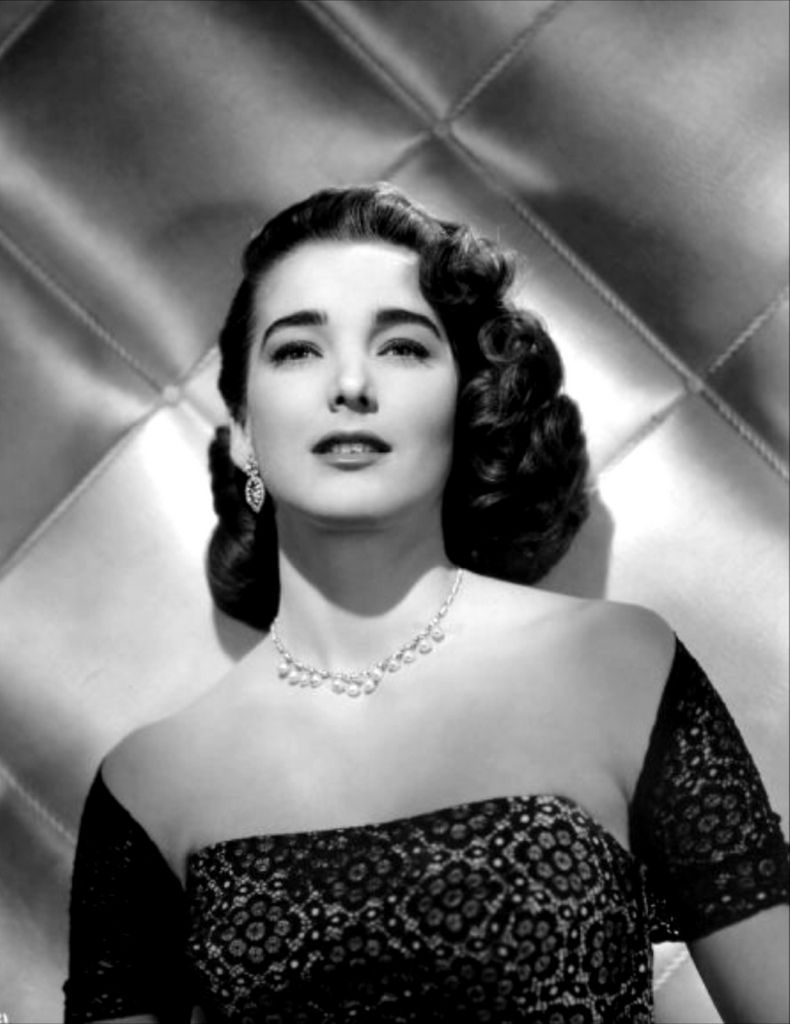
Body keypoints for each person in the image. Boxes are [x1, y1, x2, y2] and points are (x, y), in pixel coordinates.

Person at [64, 184, 789, 1023]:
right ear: (242, 433)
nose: (350, 383)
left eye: (403, 347)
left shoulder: (620, 667)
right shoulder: (148, 785)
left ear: (463, 405)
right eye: (297, 350)